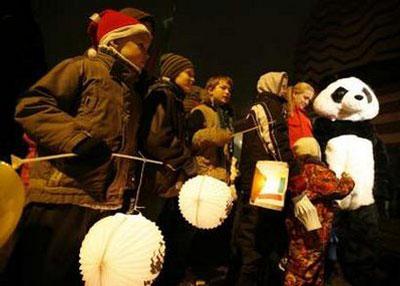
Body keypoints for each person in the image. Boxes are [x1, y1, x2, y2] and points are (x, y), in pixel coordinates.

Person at [5, 9, 152, 286]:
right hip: (61, 198)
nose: (147, 54)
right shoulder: (81, 68)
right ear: (115, 42)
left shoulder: (132, 93)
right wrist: (77, 140)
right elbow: (32, 107)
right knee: (41, 274)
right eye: (141, 46)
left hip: (104, 206)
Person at [138, 53, 198, 285]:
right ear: (173, 73)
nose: (192, 79)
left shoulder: (174, 96)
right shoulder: (163, 95)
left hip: (164, 177)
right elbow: (157, 138)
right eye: (188, 74)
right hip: (155, 178)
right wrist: (186, 160)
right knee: (150, 232)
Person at [231, 72, 293, 285]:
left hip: (254, 178)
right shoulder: (269, 107)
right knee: (257, 239)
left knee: (251, 234)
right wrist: (293, 168)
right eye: (283, 85)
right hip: (267, 178)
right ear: (271, 86)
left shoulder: (257, 108)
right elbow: (276, 141)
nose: (286, 89)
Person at [284, 137, 354, 286]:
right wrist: (348, 179)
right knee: (308, 268)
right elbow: (341, 189)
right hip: (315, 232)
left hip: (294, 228)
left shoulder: (292, 172)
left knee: (297, 264)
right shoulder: (317, 172)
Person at [186, 76, 234, 283]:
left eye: (229, 89)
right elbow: (191, 140)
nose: (227, 92)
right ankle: (194, 270)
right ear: (210, 89)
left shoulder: (225, 115)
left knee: (214, 228)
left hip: (220, 177)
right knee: (199, 227)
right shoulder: (200, 111)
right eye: (223, 88)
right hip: (204, 174)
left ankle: (207, 269)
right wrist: (213, 134)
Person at [286, 82, 315, 150]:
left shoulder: (304, 116)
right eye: (305, 98)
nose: (307, 102)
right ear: (295, 94)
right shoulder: (285, 112)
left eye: (309, 100)